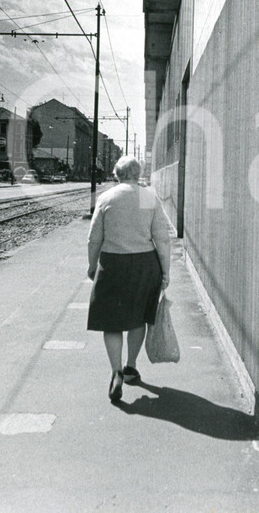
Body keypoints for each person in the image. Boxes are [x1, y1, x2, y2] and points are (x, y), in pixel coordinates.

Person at [86, 156, 172, 403]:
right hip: (145, 264)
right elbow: (162, 239)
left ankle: (115, 373)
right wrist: (165, 272)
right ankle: (130, 366)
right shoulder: (148, 197)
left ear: (116, 174)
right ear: (139, 173)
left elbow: (94, 239)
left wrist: (93, 266)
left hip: (112, 263)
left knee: (111, 322)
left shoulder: (107, 198)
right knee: (138, 317)